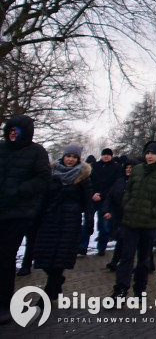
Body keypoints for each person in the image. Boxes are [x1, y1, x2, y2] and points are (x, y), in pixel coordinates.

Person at [0, 114, 51, 323]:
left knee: (5, 257)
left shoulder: (36, 152)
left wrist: (21, 190)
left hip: (18, 213)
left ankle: (4, 304)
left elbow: (43, 178)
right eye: (10, 129)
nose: (13, 133)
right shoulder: (1, 148)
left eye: (17, 130)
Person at [112, 140, 156, 298]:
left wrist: (155, 211)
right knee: (126, 257)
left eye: (153, 153)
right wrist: (127, 204)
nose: (149, 156)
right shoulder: (138, 170)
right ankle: (120, 288)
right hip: (130, 221)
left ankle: (140, 289)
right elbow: (129, 189)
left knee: (144, 258)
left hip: (149, 224)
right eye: (147, 153)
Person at [33, 144, 92, 300]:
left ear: (78, 159)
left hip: (69, 222)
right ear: (63, 156)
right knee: (44, 258)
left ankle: (46, 296)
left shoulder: (82, 177)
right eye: (68, 156)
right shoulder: (52, 173)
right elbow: (43, 198)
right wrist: (36, 217)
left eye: (74, 157)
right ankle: (57, 281)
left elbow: (87, 202)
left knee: (60, 260)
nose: (70, 160)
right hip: (49, 220)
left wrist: (89, 220)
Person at [86, 148, 121, 256]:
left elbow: (115, 185)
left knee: (104, 225)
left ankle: (101, 248)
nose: (106, 156)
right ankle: (82, 246)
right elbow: (88, 182)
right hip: (93, 198)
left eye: (108, 155)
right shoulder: (94, 167)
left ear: (111, 156)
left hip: (107, 200)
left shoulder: (116, 168)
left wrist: (103, 195)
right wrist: (93, 193)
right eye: (104, 154)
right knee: (87, 223)